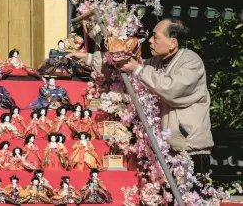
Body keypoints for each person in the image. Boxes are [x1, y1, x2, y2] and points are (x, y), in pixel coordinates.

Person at [71, 18, 213, 175]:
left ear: (172, 43)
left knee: (189, 198)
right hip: (164, 150)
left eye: (155, 37)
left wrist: (137, 69)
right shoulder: (156, 62)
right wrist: (89, 58)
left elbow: (172, 89)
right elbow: (124, 69)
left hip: (189, 150)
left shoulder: (191, 62)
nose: (150, 41)